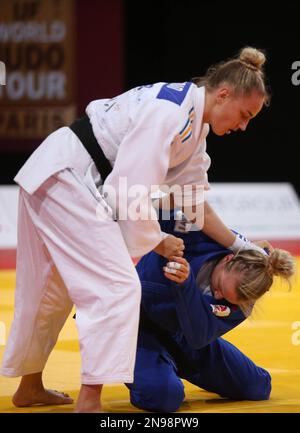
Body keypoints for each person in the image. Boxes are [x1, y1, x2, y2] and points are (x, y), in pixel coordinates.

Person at [1, 47, 271, 412]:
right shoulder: (170, 113)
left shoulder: (193, 126)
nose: (243, 126)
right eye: (245, 114)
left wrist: (240, 244)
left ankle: (29, 388)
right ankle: (90, 401)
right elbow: (127, 191)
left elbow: (192, 203)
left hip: (60, 173)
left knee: (52, 287)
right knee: (118, 285)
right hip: (70, 175)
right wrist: (158, 240)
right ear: (223, 94)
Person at [126, 208, 296, 412]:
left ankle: (165, 364)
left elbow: (199, 336)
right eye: (220, 287)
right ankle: (152, 368)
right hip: (136, 325)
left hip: (187, 336)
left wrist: (186, 284)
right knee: (165, 397)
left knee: (257, 387)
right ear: (228, 259)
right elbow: (146, 213)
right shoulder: (199, 235)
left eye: (226, 298)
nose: (217, 296)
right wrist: (159, 238)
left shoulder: (243, 302)